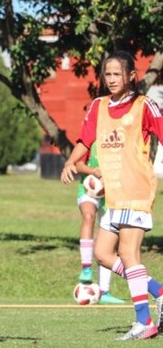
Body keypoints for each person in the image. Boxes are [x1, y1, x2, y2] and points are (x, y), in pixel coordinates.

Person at [61, 51, 163, 340]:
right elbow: (84, 140)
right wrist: (71, 162)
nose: (112, 79)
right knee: (103, 254)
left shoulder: (145, 106)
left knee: (130, 254)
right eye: (108, 74)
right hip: (114, 195)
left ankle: (143, 321)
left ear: (132, 76)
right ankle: (158, 291)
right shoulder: (98, 107)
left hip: (136, 190)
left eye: (118, 74)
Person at [74, 142, 125, 304]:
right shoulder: (90, 138)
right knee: (88, 216)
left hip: (111, 193)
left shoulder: (118, 140)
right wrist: (94, 171)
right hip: (88, 189)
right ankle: (86, 268)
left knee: (109, 239)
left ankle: (104, 291)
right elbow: (77, 165)